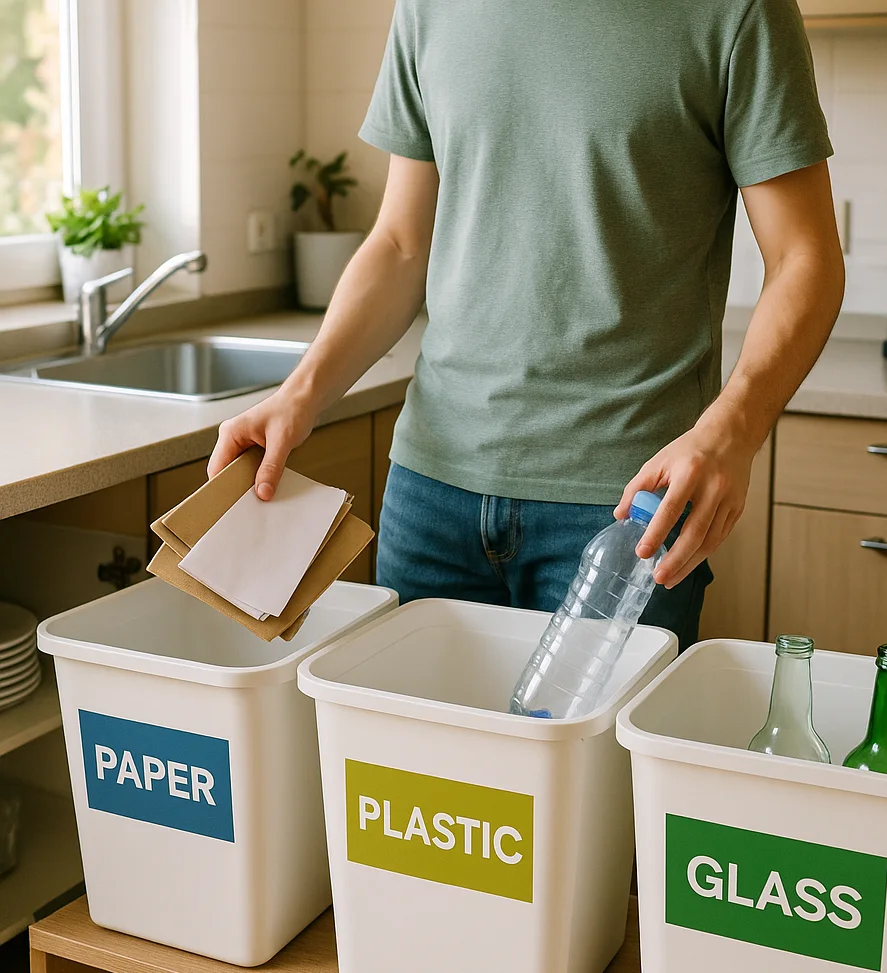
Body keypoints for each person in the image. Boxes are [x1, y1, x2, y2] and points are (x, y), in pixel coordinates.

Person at [209, 0, 845, 651]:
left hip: (625, 506)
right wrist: (300, 393)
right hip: (430, 493)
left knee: (592, 756)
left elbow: (806, 259)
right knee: (411, 755)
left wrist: (730, 433)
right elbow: (401, 244)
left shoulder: (739, 10)